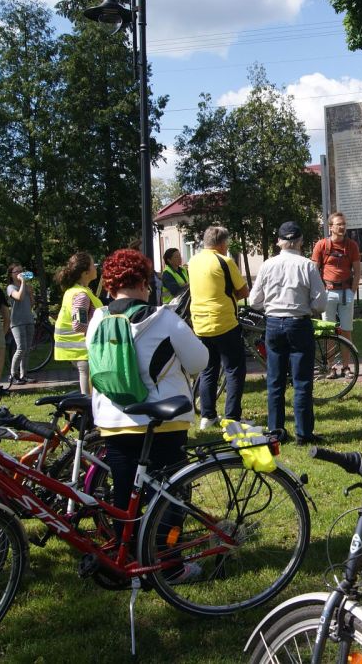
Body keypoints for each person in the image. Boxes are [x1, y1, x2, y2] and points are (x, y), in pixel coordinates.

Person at [87, 249, 209, 567]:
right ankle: (168, 563)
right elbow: (199, 361)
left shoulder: (98, 319)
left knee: (123, 496)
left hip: (114, 421)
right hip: (163, 421)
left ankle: (127, 557)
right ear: (144, 283)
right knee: (169, 495)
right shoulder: (164, 318)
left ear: (110, 285)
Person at [249, 221, 327, 444]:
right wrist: (305, 307)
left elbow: (254, 301)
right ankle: (304, 433)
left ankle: (276, 432)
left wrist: (271, 305)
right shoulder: (307, 266)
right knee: (302, 381)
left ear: (279, 242)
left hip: (274, 323)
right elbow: (320, 303)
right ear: (300, 241)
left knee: (275, 381)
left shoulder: (267, 265)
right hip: (299, 323)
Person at [187, 226, 250, 428]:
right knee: (234, 369)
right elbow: (243, 291)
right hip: (224, 322)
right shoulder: (225, 261)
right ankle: (232, 417)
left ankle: (207, 416)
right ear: (222, 244)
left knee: (208, 370)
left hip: (200, 323)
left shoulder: (193, 262)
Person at [312, 212, 360, 378]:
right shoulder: (321, 245)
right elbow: (313, 270)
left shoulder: (351, 245)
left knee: (346, 331)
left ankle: (346, 367)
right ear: (330, 227)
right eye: (339, 224)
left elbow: (357, 270)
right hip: (328, 292)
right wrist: (319, 291)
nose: (342, 227)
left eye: (344, 224)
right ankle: (331, 367)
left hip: (346, 292)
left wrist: (352, 290)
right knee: (329, 331)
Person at [54, 252, 101, 395]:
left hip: (79, 348)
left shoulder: (76, 290)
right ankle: (87, 406)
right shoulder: (81, 295)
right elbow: (79, 324)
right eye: (93, 265)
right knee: (87, 386)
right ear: (85, 273)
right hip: (81, 348)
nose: (96, 267)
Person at [6, 264, 35, 384]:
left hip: (29, 320)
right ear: (11, 275)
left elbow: (31, 304)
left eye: (21, 271)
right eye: (17, 272)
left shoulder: (25, 287)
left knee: (27, 349)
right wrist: (23, 283)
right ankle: (13, 374)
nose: (20, 273)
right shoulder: (11, 287)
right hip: (17, 322)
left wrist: (31, 293)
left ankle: (24, 375)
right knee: (21, 348)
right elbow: (19, 297)